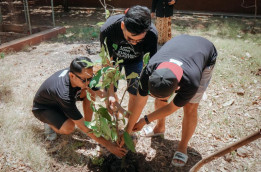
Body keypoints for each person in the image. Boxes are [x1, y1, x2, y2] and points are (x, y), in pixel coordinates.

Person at [121, 35, 218, 167]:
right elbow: (140, 101)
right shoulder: (148, 70)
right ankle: (159, 128)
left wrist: (144, 120)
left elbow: (172, 107)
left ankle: (182, 146)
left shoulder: (191, 82)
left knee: (190, 107)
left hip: (204, 52)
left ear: (177, 87)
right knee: (161, 97)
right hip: (179, 44)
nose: (159, 99)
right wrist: (127, 130)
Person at [32, 57, 127, 158]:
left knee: (90, 91)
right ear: (72, 76)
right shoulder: (65, 95)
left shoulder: (81, 75)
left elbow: (102, 93)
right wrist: (108, 145)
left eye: (91, 77)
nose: (89, 82)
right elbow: (81, 126)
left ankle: (88, 122)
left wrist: (113, 101)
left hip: (59, 101)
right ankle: (49, 123)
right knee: (69, 127)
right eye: (85, 80)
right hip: (44, 108)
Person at [100, 5, 158, 116]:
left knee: (135, 93)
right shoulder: (108, 30)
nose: (134, 43)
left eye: (139, 40)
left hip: (135, 61)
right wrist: (111, 92)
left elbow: (150, 65)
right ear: (123, 26)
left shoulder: (151, 35)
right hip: (114, 61)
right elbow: (107, 61)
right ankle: (114, 122)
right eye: (130, 38)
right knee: (109, 92)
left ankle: (129, 124)